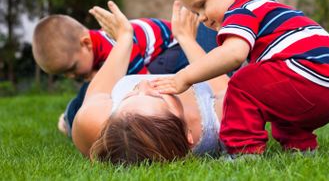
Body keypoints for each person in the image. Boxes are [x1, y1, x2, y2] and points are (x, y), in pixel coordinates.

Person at [150, 0, 329, 155]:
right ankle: (300, 146)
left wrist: (184, 77)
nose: (202, 17)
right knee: (271, 90)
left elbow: (233, 54)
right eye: (196, 12)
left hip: (310, 72)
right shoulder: (264, 5)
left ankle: (242, 150)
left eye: (202, 5)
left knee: (242, 84)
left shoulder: (243, 9)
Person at [71, 1, 229, 164]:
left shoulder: (92, 122)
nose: (144, 85)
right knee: (213, 20)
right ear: (188, 134)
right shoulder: (220, 119)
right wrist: (186, 38)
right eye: (157, 97)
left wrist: (125, 38)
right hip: (184, 63)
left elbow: (98, 91)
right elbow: (225, 87)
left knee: (76, 107)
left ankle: (65, 118)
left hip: (122, 73)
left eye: (128, 96)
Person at [32, 13, 217, 136]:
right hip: (157, 56)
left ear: (86, 44)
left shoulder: (114, 47)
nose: (71, 76)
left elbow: (140, 79)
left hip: (172, 49)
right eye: (65, 74)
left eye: (72, 68)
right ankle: (70, 116)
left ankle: (69, 116)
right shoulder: (101, 50)